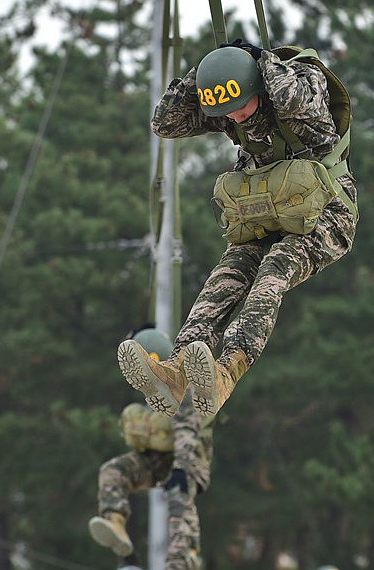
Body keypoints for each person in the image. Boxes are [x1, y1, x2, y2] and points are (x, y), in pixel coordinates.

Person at [118, 40, 357, 418]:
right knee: (225, 278)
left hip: (325, 215)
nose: (235, 119)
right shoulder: (234, 106)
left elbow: (295, 100)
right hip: (269, 215)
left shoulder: (301, 84)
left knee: (274, 270)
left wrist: (262, 62)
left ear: (257, 90)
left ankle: (228, 369)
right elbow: (164, 123)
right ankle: (179, 369)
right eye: (226, 114)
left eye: (239, 108)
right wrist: (207, 72)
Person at [90, 327, 214, 570]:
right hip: (156, 459)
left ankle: (181, 561)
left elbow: (187, 432)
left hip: (189, 459)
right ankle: (115, 521)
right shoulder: (154, 388)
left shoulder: (186, 385)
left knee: (180, 501)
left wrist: (181, 470)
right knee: (113, 470)